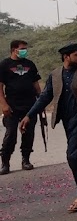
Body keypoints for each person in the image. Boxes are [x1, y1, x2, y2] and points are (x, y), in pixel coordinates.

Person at [24, 43, 77, 213]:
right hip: (68, 122)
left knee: (73, 156)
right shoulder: (55, 75)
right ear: (66, 57)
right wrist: (29, 115)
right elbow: (45, 97)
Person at [1, 38, 41, 174]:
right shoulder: (4, 65)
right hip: (11, 105)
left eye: (25, 49)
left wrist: (40, 102)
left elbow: (36, 84)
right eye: (22, 49)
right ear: (14, 49)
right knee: (10, 134)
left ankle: (26, 159)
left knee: (28, 133)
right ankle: (5, 163)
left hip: (30, 105)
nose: (25, 51)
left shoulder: (30, 64)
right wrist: (3, 104)